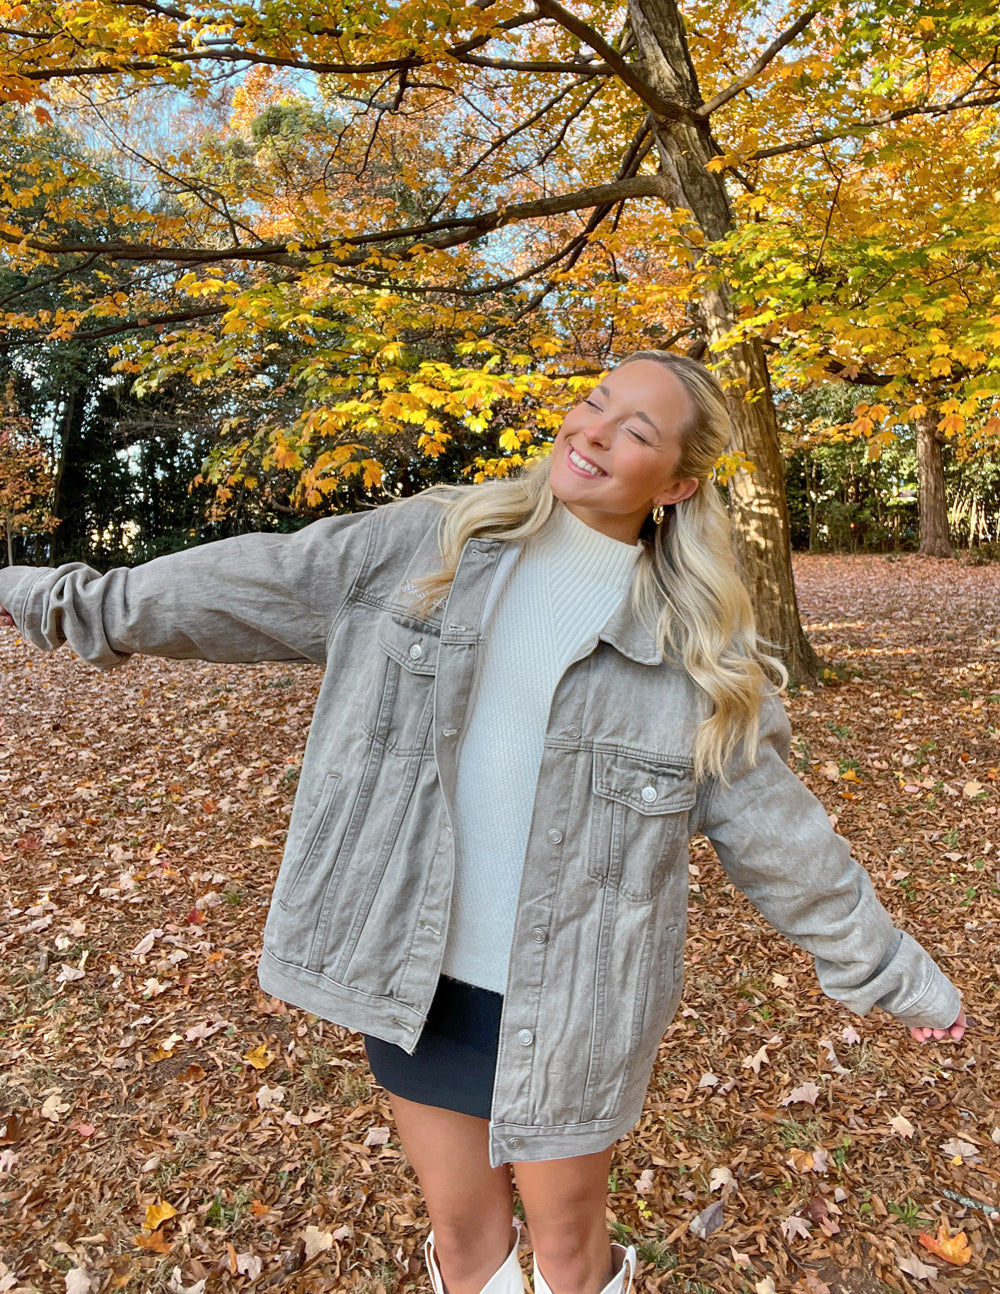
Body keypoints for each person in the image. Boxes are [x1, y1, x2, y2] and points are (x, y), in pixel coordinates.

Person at [0, 352, 966, 1294]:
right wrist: (41, 598)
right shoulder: (427, 545)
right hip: (414, 976)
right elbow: (223, 586)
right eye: (594, 402)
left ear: (676, 483)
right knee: (465, 1243)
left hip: (578, 1000)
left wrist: (891, 970)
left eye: (634, 430)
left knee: (567, 1253)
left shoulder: (698, 657)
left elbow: (781, 836)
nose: (592, 430)